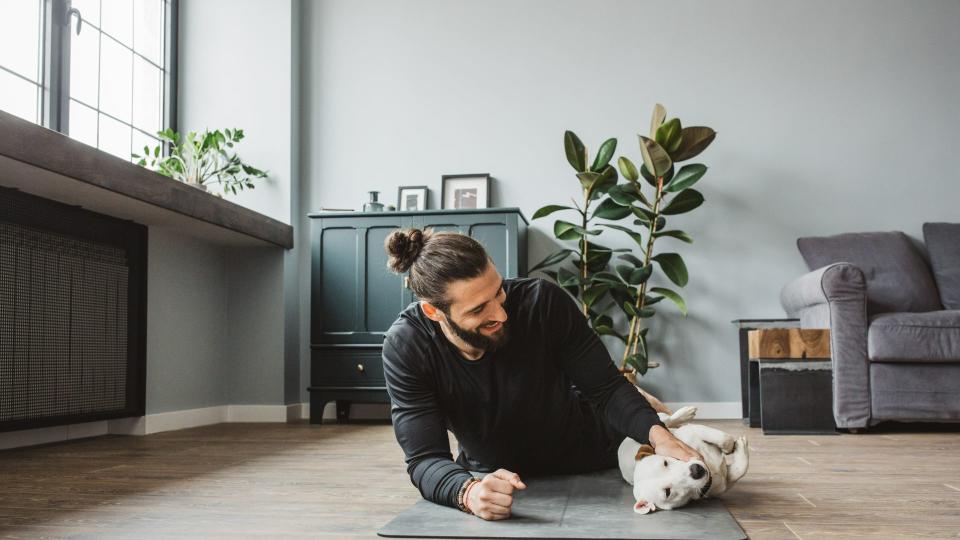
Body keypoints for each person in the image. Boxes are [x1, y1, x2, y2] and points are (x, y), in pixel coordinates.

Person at [381, 228, 703, 521]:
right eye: (479, 309)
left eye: (499, 292)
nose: (501, 314)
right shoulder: (407, 346)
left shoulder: (541, 302)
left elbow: (606, 388)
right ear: (434, 311)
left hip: (591, 449)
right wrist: (468, 492)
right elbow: (425, 458)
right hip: (494, 469)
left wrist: (660, 436)